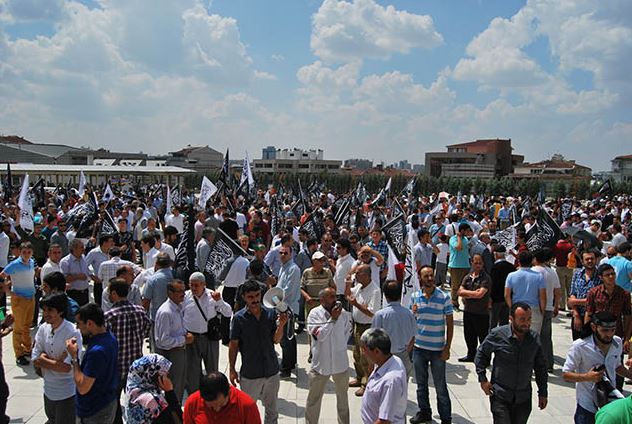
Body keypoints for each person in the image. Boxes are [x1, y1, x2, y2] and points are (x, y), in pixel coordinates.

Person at [475, 302, 548, 424]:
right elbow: (481, 354)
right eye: (522, 319)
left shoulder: (534, 339)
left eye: (529, 319)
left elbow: (540, 367)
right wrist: (482, 379)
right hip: (501, 396)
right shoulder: (498, 334)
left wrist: (543, 393)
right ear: (511, 319)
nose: (527, 323)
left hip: (523, 398)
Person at [229, 280, 288, 424]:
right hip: (251, 374)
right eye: (250, 297)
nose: (255, 300)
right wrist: (232, 369)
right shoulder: (238, 319)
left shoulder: (270, 313)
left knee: (272, 411)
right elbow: (233, 345)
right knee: (247, 412)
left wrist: (281, 326)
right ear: (244, 297)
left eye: (257, 295)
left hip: (271, 371)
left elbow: (276, 340)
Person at [563, 311, 632, 423]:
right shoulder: (580, 346)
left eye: (612, 330)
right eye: (604, 330)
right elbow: (566, 374)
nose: (609, 334)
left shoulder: (617, 342)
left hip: (610, 404)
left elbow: (617, 366)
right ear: (594, 327)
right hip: (587, 407)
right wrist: (587, 377)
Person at [409, 265, 453, 424]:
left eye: (431, 275)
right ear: (420, 278)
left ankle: (446, 418)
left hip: (437, 350)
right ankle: (424, 412)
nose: (429, 278)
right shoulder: (414, 297)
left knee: (440, 387)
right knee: (421, 385)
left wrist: (447, 347)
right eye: (426, 276)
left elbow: (450, 323)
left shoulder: (444, 297)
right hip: (419, 349)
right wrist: (412, 312)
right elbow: (411, 322)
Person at [104, 279, 152, 424]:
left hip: (116, 368)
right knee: (137, 403)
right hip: (136, 367)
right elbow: (147, 331)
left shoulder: (109, 316)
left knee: (114, 405)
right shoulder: (140, 312)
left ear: (114, 293)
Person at [32, 293, 82, 424]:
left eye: (50, 310)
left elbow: (66, 368)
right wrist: (54, 362)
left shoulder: (72, 331)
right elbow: (35, 358)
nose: (46, 314)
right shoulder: (43, 329)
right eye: (44, 310)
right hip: (48, 390)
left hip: (66, 393)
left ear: (60, 311)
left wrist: (44, 360)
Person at [66, 303, 119, 424]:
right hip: (106, 402)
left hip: (94, 410)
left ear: (89, 323)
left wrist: (74, 357)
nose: (77, 327)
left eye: (79, 323)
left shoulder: (97, 351)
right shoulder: (110, 338)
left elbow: (83, 387)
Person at [305, 287, 352, 424]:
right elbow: (320, 336)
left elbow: (347, 332)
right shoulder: (314, 314)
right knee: (314, 400)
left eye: (335, 296)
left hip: (340, 364)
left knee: (343, 400)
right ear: (322, 300)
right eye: (331, 297)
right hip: (321, 364)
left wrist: (340, 345)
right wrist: (332, 319)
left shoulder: (343, 314)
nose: (335, 300)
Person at [183, 272, 232, 393]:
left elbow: (228, 312)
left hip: (209, 338)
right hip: (191, 339)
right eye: (191, 285)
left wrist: (219, 301)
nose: (193, 288)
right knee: (192, 372)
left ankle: (213, 394)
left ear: (203, 284)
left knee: (212, 370)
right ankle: (195, 395)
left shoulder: (212, 296)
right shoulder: (185, 297)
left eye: (196, 285)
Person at [345, 263, 381, 397]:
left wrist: (356, 304)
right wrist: (348, 284)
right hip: (357, 325)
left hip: (367, 327)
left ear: (366, 275)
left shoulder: (375, 291)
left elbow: (372, 313)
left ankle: (366, 384)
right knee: (357, 354)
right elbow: (348, 295)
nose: (356, 276)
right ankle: (359, 377)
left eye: (358, 273)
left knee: (366, 357)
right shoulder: (359, 287)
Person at [359, 328, 407, 424]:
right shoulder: (390, 360)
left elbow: (384, 421)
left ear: (377, 351)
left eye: (364, 349)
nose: (363, 353)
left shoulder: (391, 381)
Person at [154, 279, 191, 403]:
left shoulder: (179, 307)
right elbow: (163, 341)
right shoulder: (166, 312)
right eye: (179, 291)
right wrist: (184, 339)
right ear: (170, 293)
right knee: (172, 388)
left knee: (179, 385)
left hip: (180, 352)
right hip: (171, 354)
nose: (183, 294)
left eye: (184, 290)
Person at [0, 241, 36, 365]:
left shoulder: (31, 262)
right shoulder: (14, 264)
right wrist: (8, 291)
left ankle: (27, 349)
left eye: (29, 252)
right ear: (20, 252)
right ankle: (19, 353)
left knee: (27, 326)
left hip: (31, 297)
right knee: (18, 328)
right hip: (19, 299)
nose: (26, 254)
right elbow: (2, 275)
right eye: (24, 252)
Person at [371, 280, 416, 378]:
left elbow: (374, 338)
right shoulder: (409, 314)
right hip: (403, 356)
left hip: (384, 357)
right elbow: (414, 336)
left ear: (385, 296)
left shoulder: (380, 315)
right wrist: (407, 351)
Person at [183, 371, 261, 424]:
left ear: (229, 392)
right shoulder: (192, 402)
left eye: (221, 405)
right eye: (211, 407)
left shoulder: (247, 406)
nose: (217, 409)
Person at [125, 354, 182, 424]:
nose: (167, 377)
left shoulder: (133, 392)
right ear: (152, 374)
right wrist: (170, 392)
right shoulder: (152, 401)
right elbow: (180, 419)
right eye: (164, 374)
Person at [457, 254, 491, 362]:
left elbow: (480, 294)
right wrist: (473, 293)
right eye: (476, 263)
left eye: (480, 263)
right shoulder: (468, 277)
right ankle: (471, 355)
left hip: (481, 313)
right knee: (469, 335)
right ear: (471, 263)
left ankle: (485, 359)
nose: (478, 265)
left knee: (483, 337)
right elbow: (459, 292)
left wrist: (467, 293)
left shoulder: (485, 278)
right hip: (468, 311)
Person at [532, 247, 561, 371]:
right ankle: (548, 363)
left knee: (532, 336)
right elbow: (557, 291)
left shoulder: (532, 271)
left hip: (534, 307)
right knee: (546, 337)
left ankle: (534, 362)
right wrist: (556, 306)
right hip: (548, 307)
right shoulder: (552, 272)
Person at [504, 250, 546, 334]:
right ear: (531, 261)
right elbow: (542, 297)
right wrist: (542, 311)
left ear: (518, 261)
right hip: (533, 308)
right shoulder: (539, 276)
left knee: (516, 335)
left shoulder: (511, 276)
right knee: (534, 337)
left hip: (517, 308)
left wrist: (511, 307)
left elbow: (506, 295)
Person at [276, 245, 301, 378]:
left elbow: (288, 290)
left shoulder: (293, 269)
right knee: (289, 337)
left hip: (288, 307)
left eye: (285, 253)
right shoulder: (283, 267)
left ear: (291, 254)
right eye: (280, 253)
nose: (282, 255)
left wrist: (275, 299)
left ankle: (286, 368)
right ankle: (291, 363)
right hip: (282, 306)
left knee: (285, 339)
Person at [569, 250, 602, 340]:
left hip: (593, 318)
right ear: (582, 261)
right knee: (577, 344)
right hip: (577, 315)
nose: (590, 261)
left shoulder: (600, 277)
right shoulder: (577, 274)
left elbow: (597, 300)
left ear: (596, 260)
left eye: (592, 259)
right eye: (587, 259)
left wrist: (575, 301)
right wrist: (576, 314)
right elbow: (572, 295)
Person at [60, 238, 91, 306]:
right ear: (74, 248)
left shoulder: (83, 257)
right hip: (73, 294)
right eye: (81, 247)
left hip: (85, 292)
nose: (84, 249)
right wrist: (77, 277)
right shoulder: (65, 262)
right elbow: (63, 279)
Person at [489, 245, 514, 329]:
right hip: (507, 299)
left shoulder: (494, 267)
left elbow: (492, 284)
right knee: (504, 325)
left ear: (495, 254)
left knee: (492, 324)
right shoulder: (511, 267)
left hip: (495, 300)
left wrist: (489, 298)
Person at [86, 234, 114, 307]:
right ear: (104, 243)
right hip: (99, 282)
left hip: (112, 283)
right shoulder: (94, 253)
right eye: (111, 241)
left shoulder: (112, 252)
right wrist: (92, 277)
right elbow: (85, 265)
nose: (113, 243)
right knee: (99, 304)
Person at [448, 223, 471, 310]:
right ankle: (454, 303)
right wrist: (458, 237)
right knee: (455, 286)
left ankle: (465, 302)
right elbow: (459, 247)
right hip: (455, 266)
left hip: (465, 265)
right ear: (462, 230)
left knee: (466, 285)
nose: (468, 232)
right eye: (467, 231)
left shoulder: (465, 239)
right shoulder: (453, 239)